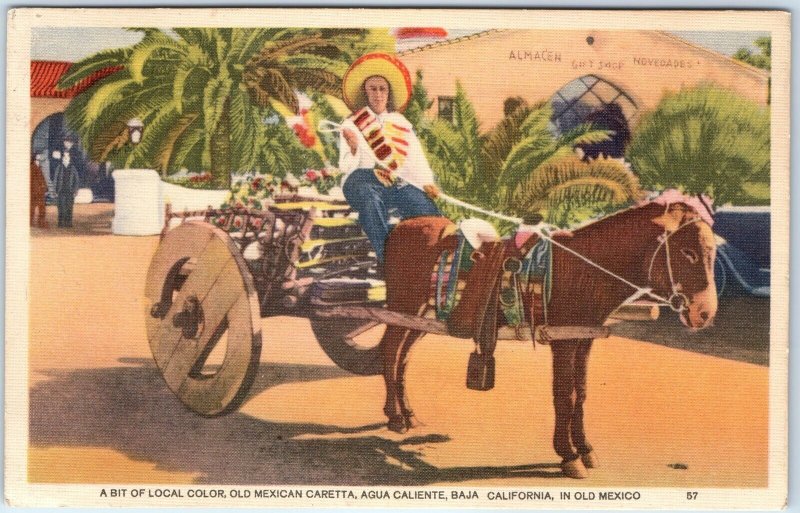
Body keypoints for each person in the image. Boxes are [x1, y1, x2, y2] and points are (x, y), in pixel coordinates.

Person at [338, 52, 442, 264]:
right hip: (361, 181)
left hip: (393, 185)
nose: (378, 94)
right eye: (372, 89)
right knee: (370, 197)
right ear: (365, 92)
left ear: (388, 93)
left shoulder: (401, 123)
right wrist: (355, 148)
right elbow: (345, 166)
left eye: (382, 89)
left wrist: (426, 184)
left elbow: (416, 160)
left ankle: (432, 259)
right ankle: (387, 257)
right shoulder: (351, 124)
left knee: (425, 206)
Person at [54, 135, 80, 228]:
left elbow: (76, 180)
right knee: (60, 207)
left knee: (69, 206)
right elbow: (56, 179)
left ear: (69, 158)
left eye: (67, 157)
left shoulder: (72, 168)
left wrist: (76, 190)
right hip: (61, 190)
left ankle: (68, 222)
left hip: (70, 190)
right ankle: (60, 222)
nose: (65, 159)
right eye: (64, 157)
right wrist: (55, 190)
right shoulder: (59, 167)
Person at [30, 155, 48, 228]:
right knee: (32, 207)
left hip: (40, 191)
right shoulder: (31, 168)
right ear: (34, 160)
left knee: (42, 207)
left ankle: (41, 222)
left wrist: (45, 188)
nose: (39, 161)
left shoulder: (39, 167)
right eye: (38, 159)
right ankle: (30, 222)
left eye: (40, 160)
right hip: (34, 191)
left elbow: (42, 179)